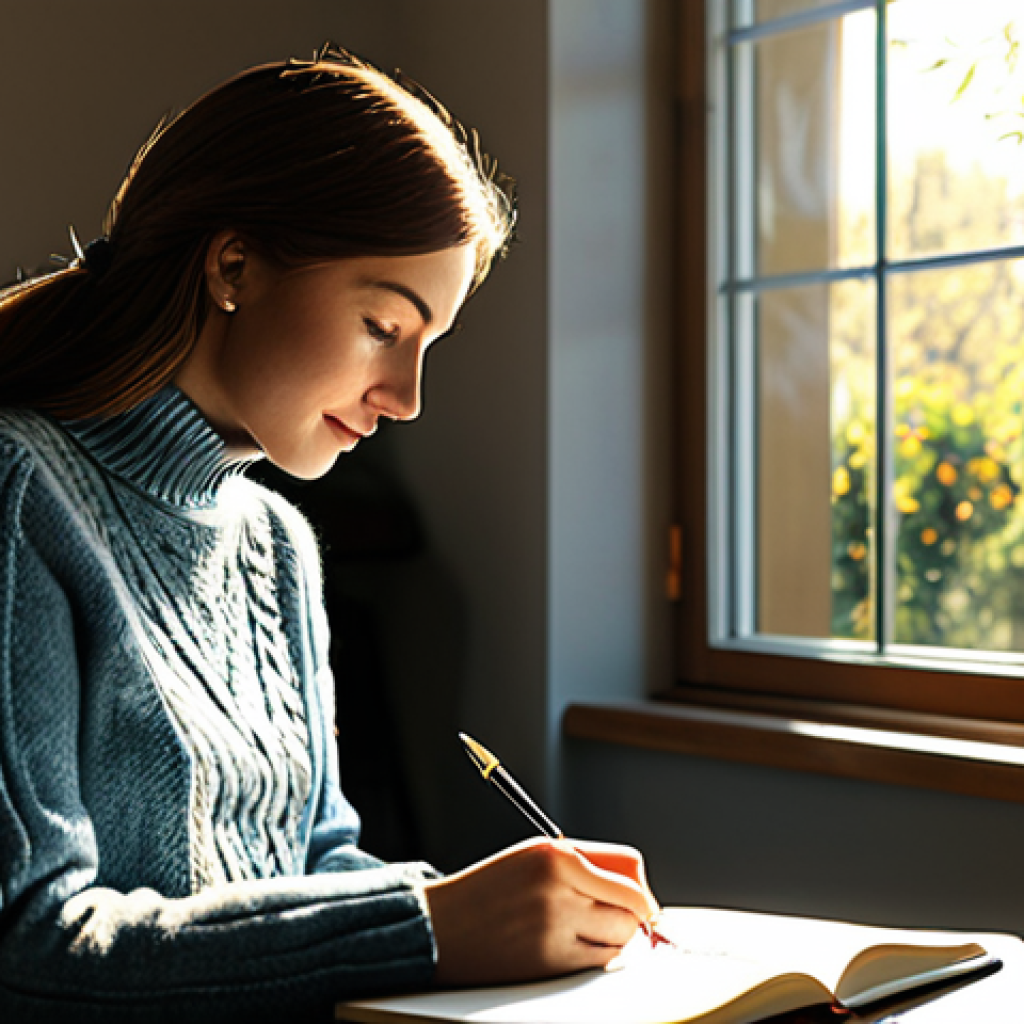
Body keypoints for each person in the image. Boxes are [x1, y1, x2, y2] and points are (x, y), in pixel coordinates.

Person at [0, 44, 659, 1023]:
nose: (407, 400)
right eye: (383, 328)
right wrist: (430, 925)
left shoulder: (275, 548)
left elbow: (313, 867)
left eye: (427, 348)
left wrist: (505, 915)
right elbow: (28, 947)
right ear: (233, 267)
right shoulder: (21, 496)